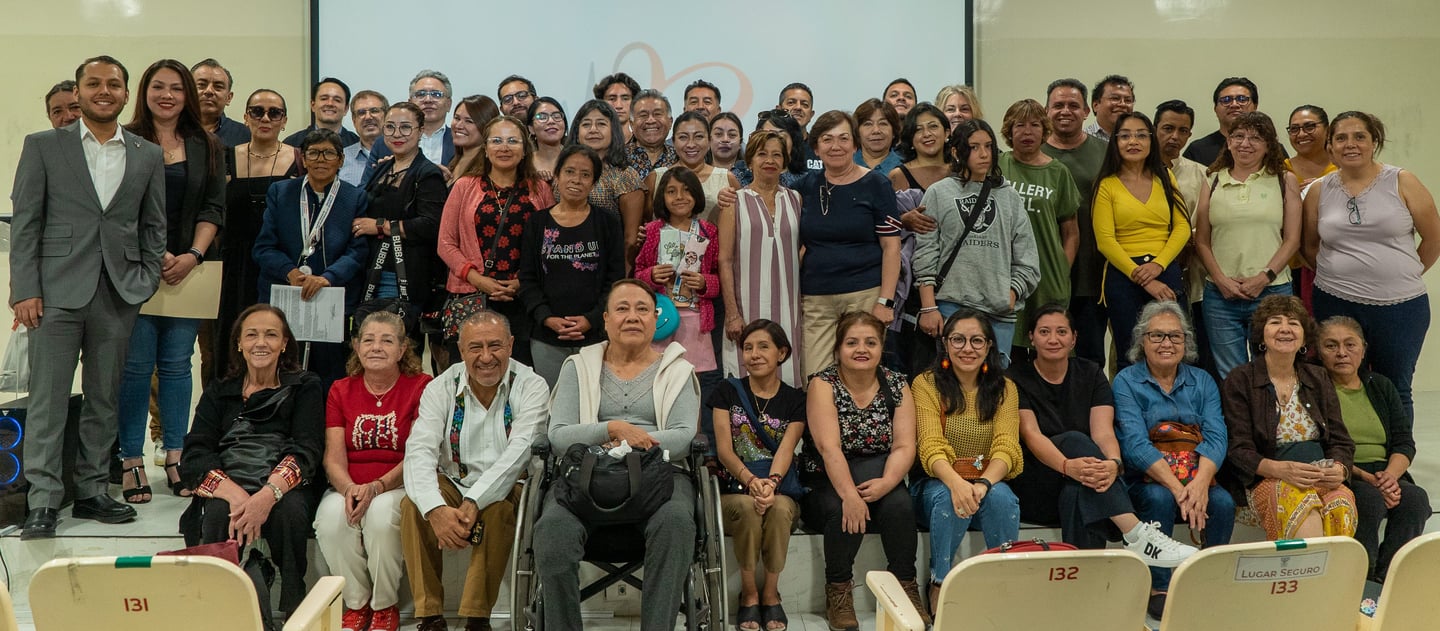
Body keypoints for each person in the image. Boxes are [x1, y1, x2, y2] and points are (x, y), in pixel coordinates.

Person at [11, 55, 165, 539]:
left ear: (125, 93)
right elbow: (26, 224)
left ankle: (94, 490)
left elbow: (153, 225)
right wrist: (25, 290)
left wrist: (143, 280)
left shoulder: (146, 153)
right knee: (48, 400)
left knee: (104, 397)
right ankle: (43, 500)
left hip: (118, 292)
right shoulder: (43, 146)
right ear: (77, 93)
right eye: (94, 83)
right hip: (54, 293)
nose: (104, 90)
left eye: (114, 84)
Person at [534, 280, 701, 631]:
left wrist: (629, 442)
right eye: (622, 309)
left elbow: (683, 437)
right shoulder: (577, 368)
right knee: (552, 530)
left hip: (660, 476)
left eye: (642, 309)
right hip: (587, 475)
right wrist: (610, 430)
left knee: (676, 523)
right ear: (606, 319)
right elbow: (559, 435)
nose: (632, 317)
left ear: (656, 319)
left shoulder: (678, 370)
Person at [1007, 305, 1198, 561]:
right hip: (1038, 481)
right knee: (1075, 440)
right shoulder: (1015, 377)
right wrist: (1067, 466)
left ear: (1074, 338)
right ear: (1031, 336)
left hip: (1086, 481)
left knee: (1078, 490)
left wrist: (1112, 463)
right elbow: (1032, 435)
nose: (1053, 339)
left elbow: (1104, 433)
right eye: (1044, 332)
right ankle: (1135, 532)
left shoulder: (1090, 373)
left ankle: (1085, 585)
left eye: (1062, 331)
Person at [115, 59, 225, 503]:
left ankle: (176, 456)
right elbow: (119, 208)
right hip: (135, 268)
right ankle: (131, 460)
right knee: (137, 369)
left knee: (179, 367)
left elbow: (214, 207)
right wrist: (156, 254)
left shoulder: (206, 144)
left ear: (188, 96)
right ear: (143, 92)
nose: (167, 95)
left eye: (176, 88)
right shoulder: (125, 140)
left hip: (189, 270)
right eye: (157, 87)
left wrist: (192, 255)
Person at [400, 310, 550, 631]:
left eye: (495, 346)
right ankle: (430, 617)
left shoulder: (532, 386)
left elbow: (518, 453)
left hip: (510, 486)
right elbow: (419, 450)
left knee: (497, 509)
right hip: (455, 479)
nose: (486, 357)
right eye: (475, 348)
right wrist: (436, 509)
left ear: (510, 345)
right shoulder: (440, 387)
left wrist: (474, 501)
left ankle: (477, 619)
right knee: (413, 506)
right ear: (461, 349)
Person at [178, 304, 324, 625]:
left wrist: (267, 495)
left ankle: (293, 609)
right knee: (217, 513)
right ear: (239, 344)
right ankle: (219, 609)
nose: (261, 342)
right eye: (252, 335)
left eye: (271, 335)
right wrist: (238, 498)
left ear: (284, 343)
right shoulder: (220, 391)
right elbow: (195, 454)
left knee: (291, 512)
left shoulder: (304, 386)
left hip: (283, 487)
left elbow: (307, 449)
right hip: (231, 484)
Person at [1304, 111, 1438, 422]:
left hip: (1400, 306)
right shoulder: (1319, 190)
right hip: (1335, 301)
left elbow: (1433, 238)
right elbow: (1309, 246)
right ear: (1330, 146)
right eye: (1341, 138)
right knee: (1341, 381)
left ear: (1374, 142)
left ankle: (1396, 464)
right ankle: (1348, 458)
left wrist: (1402, 272)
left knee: (1395, 385)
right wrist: (1337, 273)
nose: (1350, 144)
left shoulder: (1402, 181)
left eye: (1359, 136)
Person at [800, 312, 924, 631]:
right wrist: (850, 496)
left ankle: (905, 586)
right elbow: (830, 448)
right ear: (838, 348)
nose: (861, 349)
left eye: (870, 342)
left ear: (882, 347)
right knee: (841, 511)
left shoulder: (896, 383)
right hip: (828, 478)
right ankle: (839, 591)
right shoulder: (822, 384)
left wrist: (887, 483)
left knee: (899, 505)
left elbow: (904, 446)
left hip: (880, 476)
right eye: (852, 342)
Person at [1113, 301, 1234, 618]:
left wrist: (1199, 483)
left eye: (1175, 337)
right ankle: (1159, 586)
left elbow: (1217, 436)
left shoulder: (1203, 381)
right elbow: (1134, 443)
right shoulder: (1126, 381)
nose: (1166, 343)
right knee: (1158, 498)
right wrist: (1180, 488)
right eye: (1157, 336)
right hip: (1147, 478)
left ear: (1186, 342)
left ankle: (1210, 580)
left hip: (1197, 475)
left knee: (1222, 503)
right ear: (1143, 341)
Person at [315, 312, 433, 631]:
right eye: (368, 340)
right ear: (356, 346)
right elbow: (333, 457)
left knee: (381, 517)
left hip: (400, 483)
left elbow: (420, 453)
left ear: (402, 348)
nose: (376, 347)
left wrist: (377, 487)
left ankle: (384, 605)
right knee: (330, 520)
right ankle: (356, 604)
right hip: (350, 483)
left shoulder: (422, 386)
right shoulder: (340, 390)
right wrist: (350, 488)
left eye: (387, 340)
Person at [910, 310, 1023, 615]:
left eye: (976, 341)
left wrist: (984, 483)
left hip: (987, 482)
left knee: (1002, 499)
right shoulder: (926, 383)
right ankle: (939, 582)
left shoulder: (1005, 388)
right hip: (936, 483)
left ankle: (1003, 582)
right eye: (958, 339)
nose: (967, 348)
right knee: (950, 499)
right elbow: (931, 444)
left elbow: (1007, 445)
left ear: (989, 346)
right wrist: (959, 484)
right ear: (945, 343)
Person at [1220, 295, 1356, 542]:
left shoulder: (1318, 377)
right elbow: (1237, 449)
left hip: (1321, 476)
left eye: (1294, 323)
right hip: (1268, 477)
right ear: (1262, 335)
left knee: (1341, 505)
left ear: (1304, 337)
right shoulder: (1240, 380)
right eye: (1275, 322)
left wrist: (1339, 468)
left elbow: (1341, 440)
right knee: (1306, 513)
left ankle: (1334, 581)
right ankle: (1304, 581)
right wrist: (1280, 470)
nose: (1285, 329)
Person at [914, 119, 1040, 366]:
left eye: (989, 146)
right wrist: (929, 307)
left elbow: (1027, 257)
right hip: (953, 304)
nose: (984, 154)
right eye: (974, 147)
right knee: (952, 384)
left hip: (999, 312)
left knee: (994, 386)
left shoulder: (1009, 196)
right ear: (955, 151)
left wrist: (1011, 293)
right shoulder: (938, 192)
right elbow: (926, 252)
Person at [1317, 316, 1430, 583]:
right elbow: (1321, 445)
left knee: (1415, 500)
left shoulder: (1380, 385)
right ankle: (1361, 579)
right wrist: (1370, 480)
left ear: (1363, 348)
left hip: (1385, 472)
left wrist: (1389, 477)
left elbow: (1404, 442)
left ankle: (1387, 578)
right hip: (1345, 472)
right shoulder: (1316, 389)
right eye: (1331, 346)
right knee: (1368, 500)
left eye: (1350, 344)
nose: (1342, 353)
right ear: (1318, 351)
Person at [252, 128, 369, 386]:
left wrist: (328, 277)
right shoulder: (281, 193)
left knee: (329, 376)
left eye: (329, 153)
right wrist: (289, 271)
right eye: (313, 153)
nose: (320, 159)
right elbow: (263, 248)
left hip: (331, 299)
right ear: (303, 159)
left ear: (341, 160)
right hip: (286, 294)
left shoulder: (355, 197)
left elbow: (357, 252)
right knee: (281, 370)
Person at [709, 320, 804, 631]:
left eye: (763, 346)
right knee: (750, 509)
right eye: (748, 348)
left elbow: (786, 450)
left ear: (782, 353)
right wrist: (752, 483)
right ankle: (748, 594)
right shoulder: (726, 391)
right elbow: (724, 450)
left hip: (778, 487)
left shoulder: (795, 400)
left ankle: (770, 592)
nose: (754, 354)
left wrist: (771, 485)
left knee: (778, 509)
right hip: (734, 487)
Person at [439, 115, 555, 368]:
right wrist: (478, 280)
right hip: (472, 294)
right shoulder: (464, 186)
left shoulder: (540, 189)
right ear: (486, 148)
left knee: (520, 374)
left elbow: (551, 245)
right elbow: (446, 243)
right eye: (497, 141)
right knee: (470, 373)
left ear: (525, 149)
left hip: (523, 297)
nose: (504, 147)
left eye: (513, 141)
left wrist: (521, 282)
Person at [1194, 112, 1301, 378]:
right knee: (1231, 374)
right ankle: (1241, 421)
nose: (1245, 143)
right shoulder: (1213, 179)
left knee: (1274, 369)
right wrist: (1220, 279)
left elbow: (1292, 239)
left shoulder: (1283, 179)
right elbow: (1202, 240)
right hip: (1220, 296)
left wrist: (1263, 278)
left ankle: (1271, 421)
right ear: (1228, 142)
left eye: (1256, 137)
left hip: (1272, 291)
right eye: (1238, 136)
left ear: (1269, 145)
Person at [796, 110, 903, 378]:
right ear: (816, 148)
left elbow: (892, 247)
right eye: (827, 139)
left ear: (855, 145)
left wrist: (885, 302)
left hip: (864, 295)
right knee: (815, 377)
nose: (836, 146)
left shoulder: (877, 184)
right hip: (816, 298)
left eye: (843, 138)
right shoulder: (805, 186)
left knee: (861, 374)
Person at [517, 144, 627, 385]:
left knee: (592, 406)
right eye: (569, 172)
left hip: (595, 336)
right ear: (557, 176)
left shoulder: (607, 223)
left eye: (585, 174)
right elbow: (527, 279)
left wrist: (592, 319)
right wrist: (546, 318)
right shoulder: (537, 223)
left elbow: (615, 280)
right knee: (551, 406)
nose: (576, 180)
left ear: (594, 182)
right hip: (546, 335)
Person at [1092, 112, 1191, 370]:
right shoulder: (1106, 184)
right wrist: (1142, 276)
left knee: (1173, 347)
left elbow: (1182, 227)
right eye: (1125, 136)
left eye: (1140, 135)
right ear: (1115, 142)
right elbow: (1105, 241)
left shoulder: (1164, 177)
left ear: (1150, 141)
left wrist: (1158, 266)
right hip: (1124, 274)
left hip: (1164, 268)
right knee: (1129, 353)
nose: (1132, 141)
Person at [214, 89, 301, 381]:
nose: (265, 118)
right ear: (245, 117)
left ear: (284, 120)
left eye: (274, 112)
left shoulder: (300, 161)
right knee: (231, 341)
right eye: (257, 111)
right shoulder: (224, 158)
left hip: (281, 265)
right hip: (234, 265)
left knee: (281, 341)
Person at [718, 130, 805, 387]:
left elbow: (800, 250)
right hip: (746, 306)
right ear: (750, 160)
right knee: (747, 376)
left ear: (785, 161)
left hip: (789, 308)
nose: (770, 160)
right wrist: (732, 313)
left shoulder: (796, 199)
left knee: (788, 377)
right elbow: (724, 260)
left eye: (777, 154)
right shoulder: (734, 200)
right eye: (762, 154)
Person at [356, 102, 447, 347]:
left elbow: (430, 225)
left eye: (406, 128)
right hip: (372, 269)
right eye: (390, 128)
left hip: (403, 275)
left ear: (420, 131)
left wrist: (379, 225)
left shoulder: (428, 174)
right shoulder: (383, 167)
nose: (397, 134)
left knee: (394, 348)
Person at [997, 98, 1081, 358]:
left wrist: (1061, 271)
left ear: (1044, 130)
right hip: (1006, 274)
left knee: (1047, 347)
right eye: (1019, 125)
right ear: (1009, 132)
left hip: (1048, 275)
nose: (1027, 131)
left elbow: (1071, 231)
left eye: (1034, 124)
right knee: (1007, 347)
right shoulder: (998, 166)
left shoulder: (1058, 172)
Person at [1041, 78, 1110, 365]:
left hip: (1091, 272)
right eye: (1058, 105)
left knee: (1090, 355)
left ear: (1086, 112)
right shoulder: (1032, 153)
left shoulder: (1107, 153)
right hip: (1041, 271)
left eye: (1073, 105)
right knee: (1043, 351)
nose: (1065, 111)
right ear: (1046, 111)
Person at [636, 166, 720, 378]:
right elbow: (637, 275)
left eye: (686, 190)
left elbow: (719, 277)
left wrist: (703, 283)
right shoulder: (653, 231)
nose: (679, 197)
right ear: (662, 196)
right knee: (658, 379)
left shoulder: (708, 231)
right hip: (660, 317)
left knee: (693, 382)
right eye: (671, 191)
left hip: (695, 319)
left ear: (696, 194)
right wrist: (651, 276)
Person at [1154, 99, 1213, 373]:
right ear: (1154, 129)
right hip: (1147, 272)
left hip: (1193, 276)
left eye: (1182, 130)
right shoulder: (1134, 173)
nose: (1174, 136)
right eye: (1167, 128)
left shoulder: (1202, 174)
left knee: (1194, 348)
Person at [566, 100, 644, 257]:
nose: (593, 130)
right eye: (586, 124)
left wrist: (621, 279)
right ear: (576, 132)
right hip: (562, 258)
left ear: (613, 131)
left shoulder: (625, 175)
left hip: (608, 266)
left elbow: (630, 239)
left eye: (601, 124)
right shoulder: (562, 173)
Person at [643, 111, 740, 223]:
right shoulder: (655, 178)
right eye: (683, 137)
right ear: (673, 142)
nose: (691, 144)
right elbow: (644, 222)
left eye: (698, 137)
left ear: (709, 141)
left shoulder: (727, 179)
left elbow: (741, 223)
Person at [1283, 105, 1335, 309]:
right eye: (1294, 129)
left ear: (1328, 130)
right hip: (1290, 267)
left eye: (1309, 127)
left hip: (1337, 265)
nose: (1301, 134)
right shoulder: (1281, 170)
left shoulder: (1344, 168)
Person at [1183, 77, 1259, 168]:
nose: (1234, 104)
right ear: (1215, 109)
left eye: (1242, 99)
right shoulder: (1197, 150)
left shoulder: (1270, 147)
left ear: (1255, 106)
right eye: (1226, 100)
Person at [281, 77, 359, 148]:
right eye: (324, 98)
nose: (330, 103)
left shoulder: (357, 144)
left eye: (337, 100)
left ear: (346, 109)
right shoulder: (291, 144)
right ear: (313, 105)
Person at [190, 58, 250, 147]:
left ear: (229, 98)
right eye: (201, 85)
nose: (209, 91)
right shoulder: (172, 129)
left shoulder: (244, 134)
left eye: (218, 87)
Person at [444, 95, 499, 186]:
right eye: (457, 118)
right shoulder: (453, 161)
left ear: (486, 126)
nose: (458, 126)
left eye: (469, 121)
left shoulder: (490, 170)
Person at [626, 89, 679, 181]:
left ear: (670, 122)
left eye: (657, 114)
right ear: (631, 124)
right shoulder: (617, 159)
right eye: (643, 115)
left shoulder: (680, 157)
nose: (651, 120)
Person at [339, 90, 388, 186]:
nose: (368, 117)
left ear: (387, 116)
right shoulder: (341, 159)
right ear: (354, 120)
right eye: (361, 113)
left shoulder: (401, 154)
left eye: (374, 111)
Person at [756, 109, 810, 188]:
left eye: (781, 137)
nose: (775, 142)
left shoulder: (805, 181)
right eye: (768, 136)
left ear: (793, 141)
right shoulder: (742, 177)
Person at [853, 98, 902, 175]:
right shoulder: (844, 164)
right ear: (857, 132)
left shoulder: (906, 169)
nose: (876, 130)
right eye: (868, 124)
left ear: (894, 132)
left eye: (883, 123)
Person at [1083, 74, 1134, 142]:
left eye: (1128, 100)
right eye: (1115, 98)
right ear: (1096, 105)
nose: (1122, 104)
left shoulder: (1138, 139)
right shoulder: (1082, 140)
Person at [593, 72, 641, 143]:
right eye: (612, 99)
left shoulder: (644, 145)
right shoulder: (593, 145)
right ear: (601, 103)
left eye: (625, 98)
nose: (618, 106)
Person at [527, 97, 565, 183]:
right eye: (542, 117)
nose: (551, 121)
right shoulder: (524, 163)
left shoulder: (576, 158)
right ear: (531, 128)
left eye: (556, 116)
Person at [709, 112, 747, 184]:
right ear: (709, 140)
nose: (725, 140)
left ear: (740, 142)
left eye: (732, 135)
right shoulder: (697, 174)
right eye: (718, 134)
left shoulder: (751, 176)